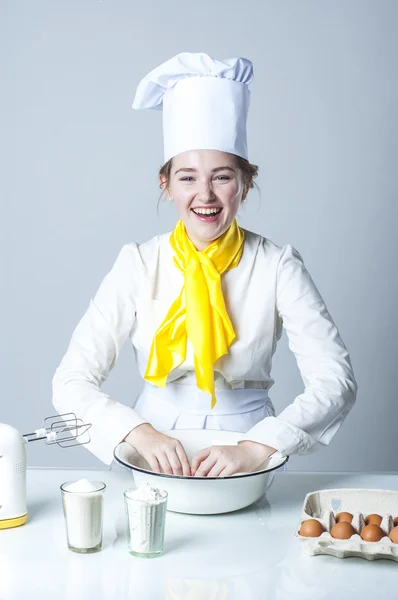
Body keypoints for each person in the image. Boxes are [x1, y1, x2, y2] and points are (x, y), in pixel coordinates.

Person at [52, 52, 357, 478]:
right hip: (153, 450)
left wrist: (259, 445)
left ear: (245, 184)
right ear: (166, 184)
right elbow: (70, 381)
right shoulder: (139, 263)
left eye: (222, 176)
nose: (205, 195)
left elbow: (335, 381)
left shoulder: (277, 266)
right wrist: (137, 433)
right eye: (188, 177)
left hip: (248, 452)